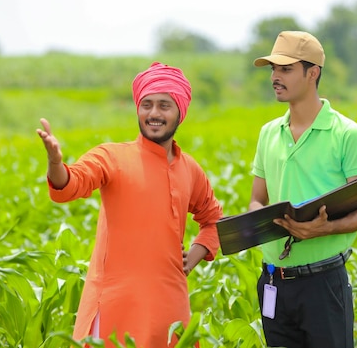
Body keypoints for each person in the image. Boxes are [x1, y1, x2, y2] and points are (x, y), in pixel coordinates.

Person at [36, 62, 223, 348]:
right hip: (115, 308)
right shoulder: (112, 157)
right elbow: (71, 184)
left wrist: (193, 257)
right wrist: (55, 163)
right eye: (146, 104)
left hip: (171, 308)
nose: (154, 114)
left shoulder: (190, 169)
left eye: (164, 105)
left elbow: (213, 220)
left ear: (180, 113)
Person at [248, 31, 357, 348]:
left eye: (286, 69)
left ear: (312, 72)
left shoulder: (347, 134)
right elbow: (256, 199)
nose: (275, 77)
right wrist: (262, 222)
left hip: (323, 283)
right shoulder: (268, 134)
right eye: (273, 70)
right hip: (273, 281)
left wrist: (323, 229)